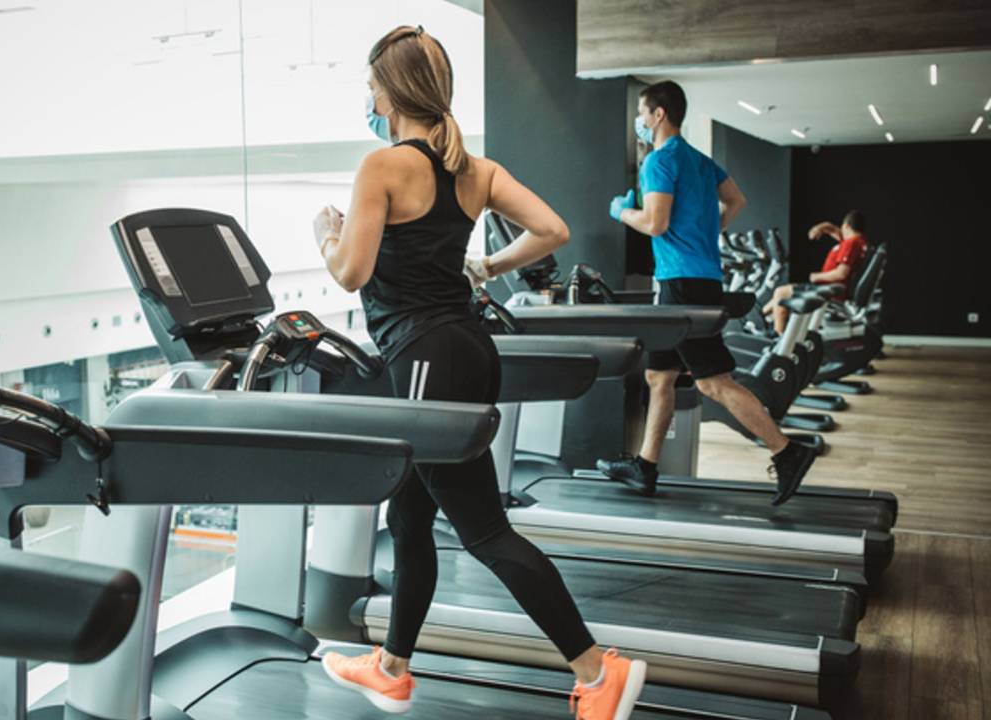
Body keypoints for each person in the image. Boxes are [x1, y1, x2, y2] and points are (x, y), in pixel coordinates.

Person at [312, 25, 645, 720]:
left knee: (485, 530)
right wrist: (486, 266)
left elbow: (350, 273)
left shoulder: (383, 166)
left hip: (428, 356)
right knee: (409, 514)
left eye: (372, 86)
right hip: (468, 344)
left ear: (394, 91)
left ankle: (596, 671)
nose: (368, 98)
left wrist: (325, 230)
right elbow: (553, 229)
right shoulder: (475, 170)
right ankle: (393, 668)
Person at [599, 80, 817, 506]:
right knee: (658, 376)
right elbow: (736, 200)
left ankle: (787, 452)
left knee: (713, 383)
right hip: (693, 277)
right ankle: (645, 466)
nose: (641, 123)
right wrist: (705, 233)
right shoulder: (700, 160)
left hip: (682, 284)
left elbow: (656, 224)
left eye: (643, 115)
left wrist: (623, 211)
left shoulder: (659, 161)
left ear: (659, 114)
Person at [762, 211, 869, 333]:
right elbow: (834, 231)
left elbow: (841, 273)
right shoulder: (860, 242)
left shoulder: (851, 243)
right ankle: (758, 318)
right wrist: (822, 227)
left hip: (829, 291)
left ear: (846, 226)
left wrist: (815, 277)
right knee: (774, 300)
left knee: (780, 293)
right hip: (832, 289)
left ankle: (778, 338)